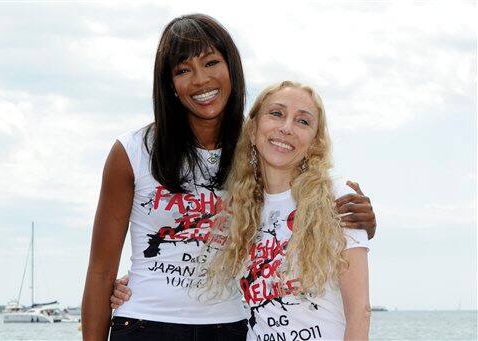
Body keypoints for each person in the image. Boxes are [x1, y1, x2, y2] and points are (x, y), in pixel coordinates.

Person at [83, 14, 376, 341]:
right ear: (169, 85)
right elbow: (100, 272)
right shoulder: (133, 151)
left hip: (230, 328)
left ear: (232, 68)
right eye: (183, 70)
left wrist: (361, 220)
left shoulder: (258, 148)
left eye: (211, 63)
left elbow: (304, 197)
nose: (200, 80)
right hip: (143, 324)